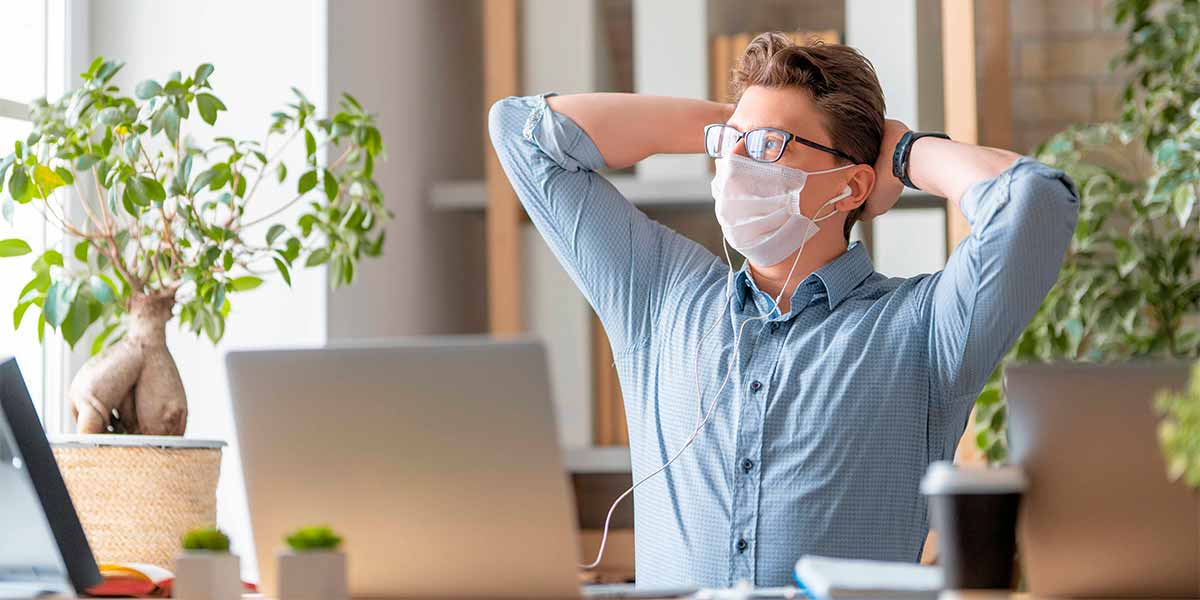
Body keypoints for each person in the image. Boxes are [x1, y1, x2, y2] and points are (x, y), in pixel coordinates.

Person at [488, 33, 1078, 588]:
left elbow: (1036, 201)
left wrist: (904, 153)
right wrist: (724, 122)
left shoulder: (923, 328)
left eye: (770, 146)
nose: (737, 164)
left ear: (849, 188)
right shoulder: (659, 296)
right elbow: (522, 132)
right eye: (731, 144)